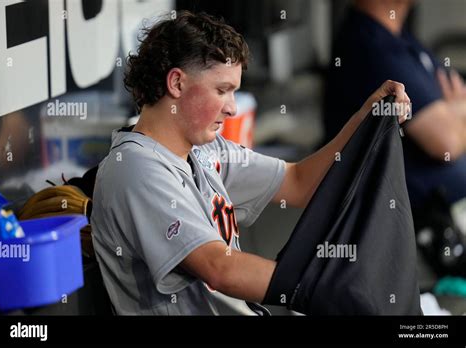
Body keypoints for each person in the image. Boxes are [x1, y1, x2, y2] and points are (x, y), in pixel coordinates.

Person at [91, 10, 409, 315]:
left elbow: (299, 182)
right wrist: (315, 289)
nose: (231, 109)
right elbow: (219, 267)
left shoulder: (205, 151)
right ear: (177, 83)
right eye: (222, 90)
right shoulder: (135, 168)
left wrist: (365, 118)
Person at [323, 0, 466, 211]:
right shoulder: (371, 47)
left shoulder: (400, 37)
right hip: (416, 224)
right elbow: (448, 141)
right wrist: (460, 108)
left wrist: (453, 113)